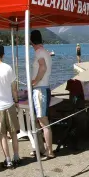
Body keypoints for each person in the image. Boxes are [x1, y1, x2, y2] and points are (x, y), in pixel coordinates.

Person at [30, 30, 54, 159]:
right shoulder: (45, 52)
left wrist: (34, 81)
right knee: (43, 121)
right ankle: (46, 149)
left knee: (43, 121)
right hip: (43, 88)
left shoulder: (39, 52)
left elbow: (43, 68)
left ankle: (49, 151)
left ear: (31, 41)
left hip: (40, 89)